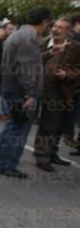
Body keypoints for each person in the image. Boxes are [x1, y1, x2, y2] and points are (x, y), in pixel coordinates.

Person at [0, 7, 51, 178]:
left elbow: (26, 62)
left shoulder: (18, 35)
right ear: (44, 22)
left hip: (12, 88)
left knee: (11, 127)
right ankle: (6, 164)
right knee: (18, 131)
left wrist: (49, 53)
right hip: (20, 92)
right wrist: (29, 94)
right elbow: (26, 68)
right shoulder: (27, 38)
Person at [33, 17, 80, 172]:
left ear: (68, 31)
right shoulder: (41, 43)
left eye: (61, 27)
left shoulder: (75, 48)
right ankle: (41, 156)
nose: (55, 29)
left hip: (60, 91)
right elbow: (30, 62)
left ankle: (50, 153)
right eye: (55, 26)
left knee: (55, 124)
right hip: (36, 88)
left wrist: (67, 75)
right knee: (42, 124)